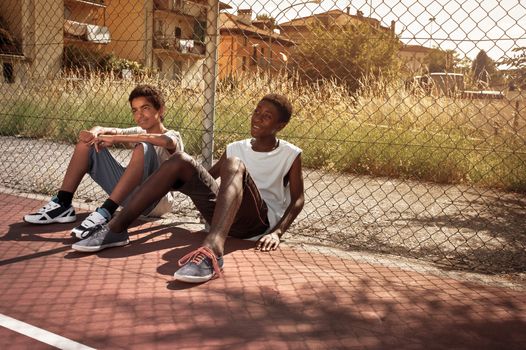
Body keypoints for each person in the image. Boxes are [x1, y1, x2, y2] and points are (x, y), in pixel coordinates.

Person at [72, 93, 304, 284]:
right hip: (223, 217)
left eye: (267, 116)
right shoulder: (235, 147)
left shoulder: (290, 154)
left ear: (280, 125)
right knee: (181, 160)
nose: (257, 118)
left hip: (257, 221)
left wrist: (277, 232)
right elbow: (208, 178)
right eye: (257, 111)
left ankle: (212, 251)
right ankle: (116, 228)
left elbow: (297, 200)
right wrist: (174, 176)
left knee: (233, 165)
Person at [23, 84, 184, 239]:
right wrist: (96, 131)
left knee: (143, 146)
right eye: (135, 110)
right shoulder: (140, 131)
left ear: (160, 109)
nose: (139, 115)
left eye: (145, 108)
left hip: (155, 202)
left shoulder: (172, 136)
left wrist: (114, 139)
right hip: (132, 196)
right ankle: (63, 203)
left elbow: (161, 141)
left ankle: (105, 211)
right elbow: (112, 130)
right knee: (87, 146)